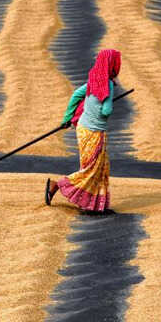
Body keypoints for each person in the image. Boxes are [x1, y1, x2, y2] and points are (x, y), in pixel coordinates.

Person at [46, 48, 121, 215]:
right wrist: (108, 100)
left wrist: (67, 119)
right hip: (94, 131)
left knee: (98, 167)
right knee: (92, 169)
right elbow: (106, 111)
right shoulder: (107, 84)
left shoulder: (93, 81)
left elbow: (75, 95)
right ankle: (56, 185)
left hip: (83, 129)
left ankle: (94, 205)